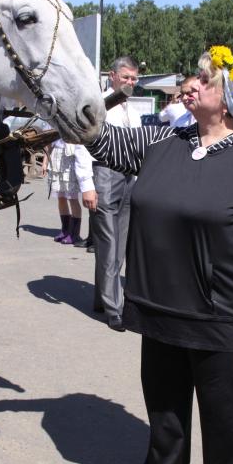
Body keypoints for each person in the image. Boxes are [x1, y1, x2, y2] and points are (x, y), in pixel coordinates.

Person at [86, 45, 233, 464]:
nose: (192, 84)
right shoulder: (164, 139)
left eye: (206, 80)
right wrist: (75, 107)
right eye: (194, 78)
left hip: (219, 314)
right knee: (163, 404)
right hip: (159, 305)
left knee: (225, 414)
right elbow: (106, 144)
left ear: (231, 101)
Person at [90, 56, 141, 331]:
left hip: (129, 177)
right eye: (126, 77)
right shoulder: (99, 104)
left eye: (134, 79)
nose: (130, 82)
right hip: (105, 174)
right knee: (108, 243)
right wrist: (87, 184)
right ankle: (115, 309)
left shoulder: (132, 111)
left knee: (119, 245)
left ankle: (101, 298)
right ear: (113, 76)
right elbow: (80, 143)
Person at [42, 140, 97, 244]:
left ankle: (75, 234)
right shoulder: (52, 124)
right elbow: (48, 143)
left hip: (70, 157)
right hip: (55, 158)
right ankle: (65, 230)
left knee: (72, 198)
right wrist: (45, 162)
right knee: (60, 197)